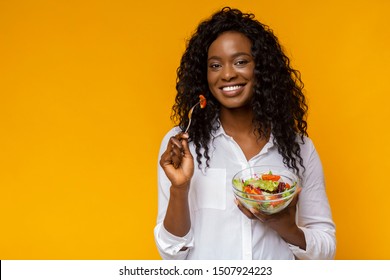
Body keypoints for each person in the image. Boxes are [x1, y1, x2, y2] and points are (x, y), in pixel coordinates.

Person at [154, 7, 336, 260]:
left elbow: (326, 247)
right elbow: (171, 253)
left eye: (240, 61)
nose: (228, 74)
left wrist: (285, 226)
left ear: (261, 69)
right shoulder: (184, 146)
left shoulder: (299, 147)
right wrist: (180, 188)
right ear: (204, 76)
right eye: (215, 65)